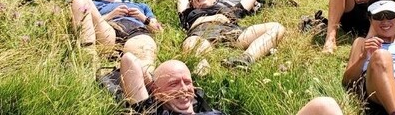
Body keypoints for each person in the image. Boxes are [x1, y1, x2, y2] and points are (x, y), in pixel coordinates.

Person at [120, 53, 344, 115]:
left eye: (187, 82)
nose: (184, 88)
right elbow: (129, 60)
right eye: (173, 84)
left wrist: (168, 86)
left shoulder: (207, 108)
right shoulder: (152, 111)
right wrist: (155, 87)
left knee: (324, 105)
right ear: (155, 92)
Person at [176, 0, 285, 69]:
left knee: (276, 27)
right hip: (201, 35)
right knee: (191, 44)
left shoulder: (230, 9)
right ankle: (203, 72)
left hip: (233, 33)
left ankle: (245, 59)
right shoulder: (188, 13)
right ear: (192, 3)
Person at [70, 0, 161, 72]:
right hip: (108, 32)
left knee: (144, 68)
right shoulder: (95, 4)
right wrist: (110, 15)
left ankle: (145, 76)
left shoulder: (141, 6)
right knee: (81, 0)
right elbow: (84, 18)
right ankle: (89, 57)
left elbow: (158, 30)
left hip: (136, 32)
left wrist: (142, 18)